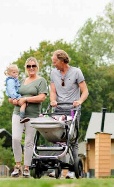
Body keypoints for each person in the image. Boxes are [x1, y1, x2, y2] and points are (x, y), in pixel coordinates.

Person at [50, 49, 89, 178]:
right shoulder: (53, 73)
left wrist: (79, 101)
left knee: (72, 139)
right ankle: (58, 168)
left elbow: (85, 91)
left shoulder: (76, 72)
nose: (53, 64)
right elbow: (53, 91)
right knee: (57, 139)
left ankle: (72, 170)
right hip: (59, 109)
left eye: (55, 62)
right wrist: (53, 100)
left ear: (62, 60)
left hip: (73, 110)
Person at [9, 57, 48, 178]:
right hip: (17, 113)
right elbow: (11, 96)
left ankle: (26, 168)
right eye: (28, 66)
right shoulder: (20, 81)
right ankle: (17, 166)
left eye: (33, 66)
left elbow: (42, 97)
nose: (31, 68)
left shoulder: (41, 81)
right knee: (15, 139)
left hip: (33, 115)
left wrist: (26, 99)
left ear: (37, 67)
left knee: (29, 142)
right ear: (26, 68)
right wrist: (15, 101)